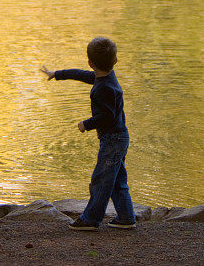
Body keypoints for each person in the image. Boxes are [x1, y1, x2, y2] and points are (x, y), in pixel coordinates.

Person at [40, 37, 136, 231]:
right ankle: (126, 217)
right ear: (115, 61)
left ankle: (91, 219)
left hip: (112, 140)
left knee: (101, 181)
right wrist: (57, 74)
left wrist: (87, 124)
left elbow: (107, 117)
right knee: (117, 180)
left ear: (91, 62)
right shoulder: (107, 77)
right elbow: (82, 75)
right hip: (119, 138)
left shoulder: (103, 88)